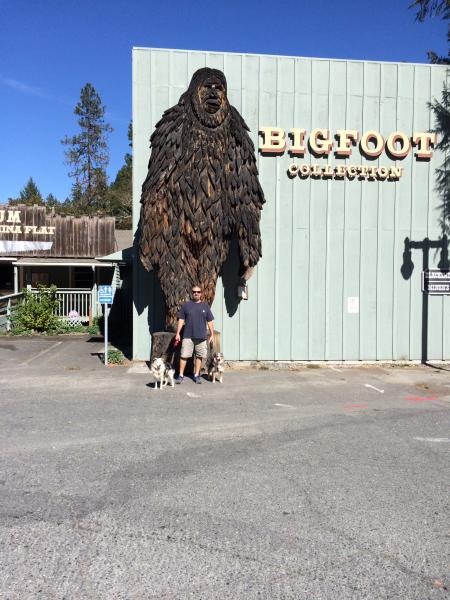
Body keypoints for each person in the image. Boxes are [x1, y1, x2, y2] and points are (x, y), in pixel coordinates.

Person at [174, 286, 214, 384]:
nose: (196, 293)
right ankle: (181, 375)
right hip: (188, 335)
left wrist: (212, 334)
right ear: (192, 293)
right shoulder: (186, 306)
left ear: (201, 293)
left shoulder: (205, 306)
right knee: (184, 356)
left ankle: (196, 375)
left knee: (199, 356)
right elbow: (181, 320)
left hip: (201, 336)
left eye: (198, 292)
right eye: (194, 292)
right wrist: (178, 333)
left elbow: (210, 321)